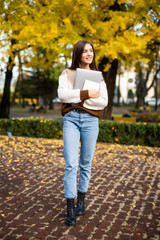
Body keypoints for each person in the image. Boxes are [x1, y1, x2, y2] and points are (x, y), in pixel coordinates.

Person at [58, 40, 108, 226]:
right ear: (78, 53)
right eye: (85, 51)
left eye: (91, 51)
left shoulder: (98, 76)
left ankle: (81, 201)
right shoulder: (67, 74)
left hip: (90, 121)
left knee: (86, 163)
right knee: (71, 164)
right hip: (71, 120)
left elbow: (103, 102)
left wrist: (77, 99)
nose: (89, 54)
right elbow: (63, 96)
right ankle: (70, 208)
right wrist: (86, 94)